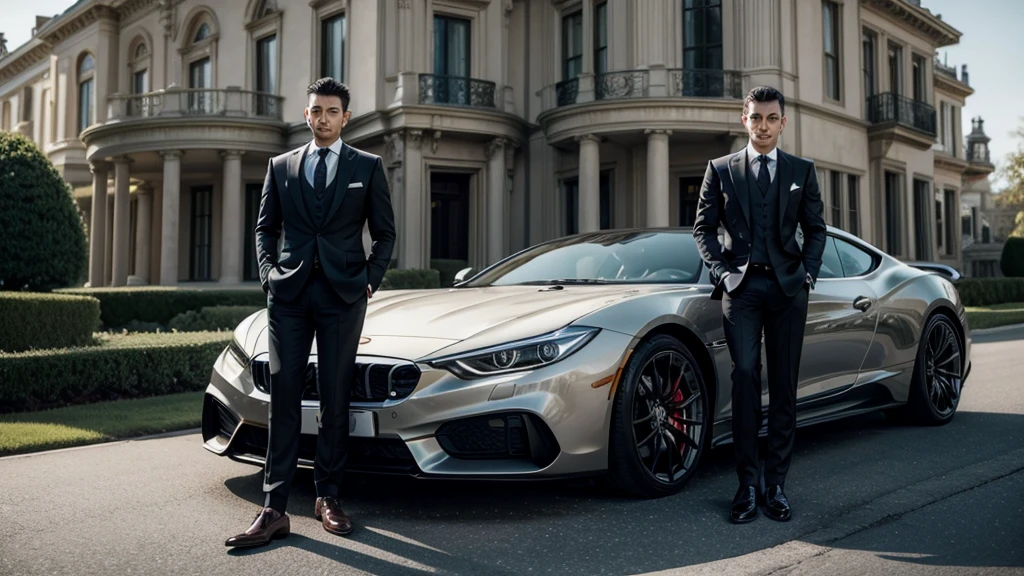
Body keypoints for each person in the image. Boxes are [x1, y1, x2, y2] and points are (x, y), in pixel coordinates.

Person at [226, 77, 396, 547]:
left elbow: (385, 233)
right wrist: (268, 276)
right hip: (289, 297)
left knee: (334, 399)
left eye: (330, 111)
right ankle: (274, 507)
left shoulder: (368, 165)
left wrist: (370, 278)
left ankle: (328, 496)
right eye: (315, 111)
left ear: (345, 117)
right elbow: (265, 228)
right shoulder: (280, 166)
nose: (321, 118)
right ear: (306, 115)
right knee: (283, 398)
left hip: (343, 297)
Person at [692, 86, 826, 524]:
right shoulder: (721, 169)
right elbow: (703, 228)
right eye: (756, 118)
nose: (763, 125)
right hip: (742, 290)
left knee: (784, 383)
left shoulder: (801, 170)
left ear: (783, 123)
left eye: (771, 118)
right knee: (746, 374)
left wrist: (807, 272)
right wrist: (723, 273)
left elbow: (816, 228)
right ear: (743, 120)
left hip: (788, 290)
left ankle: (776, 485)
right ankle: (747, 485)